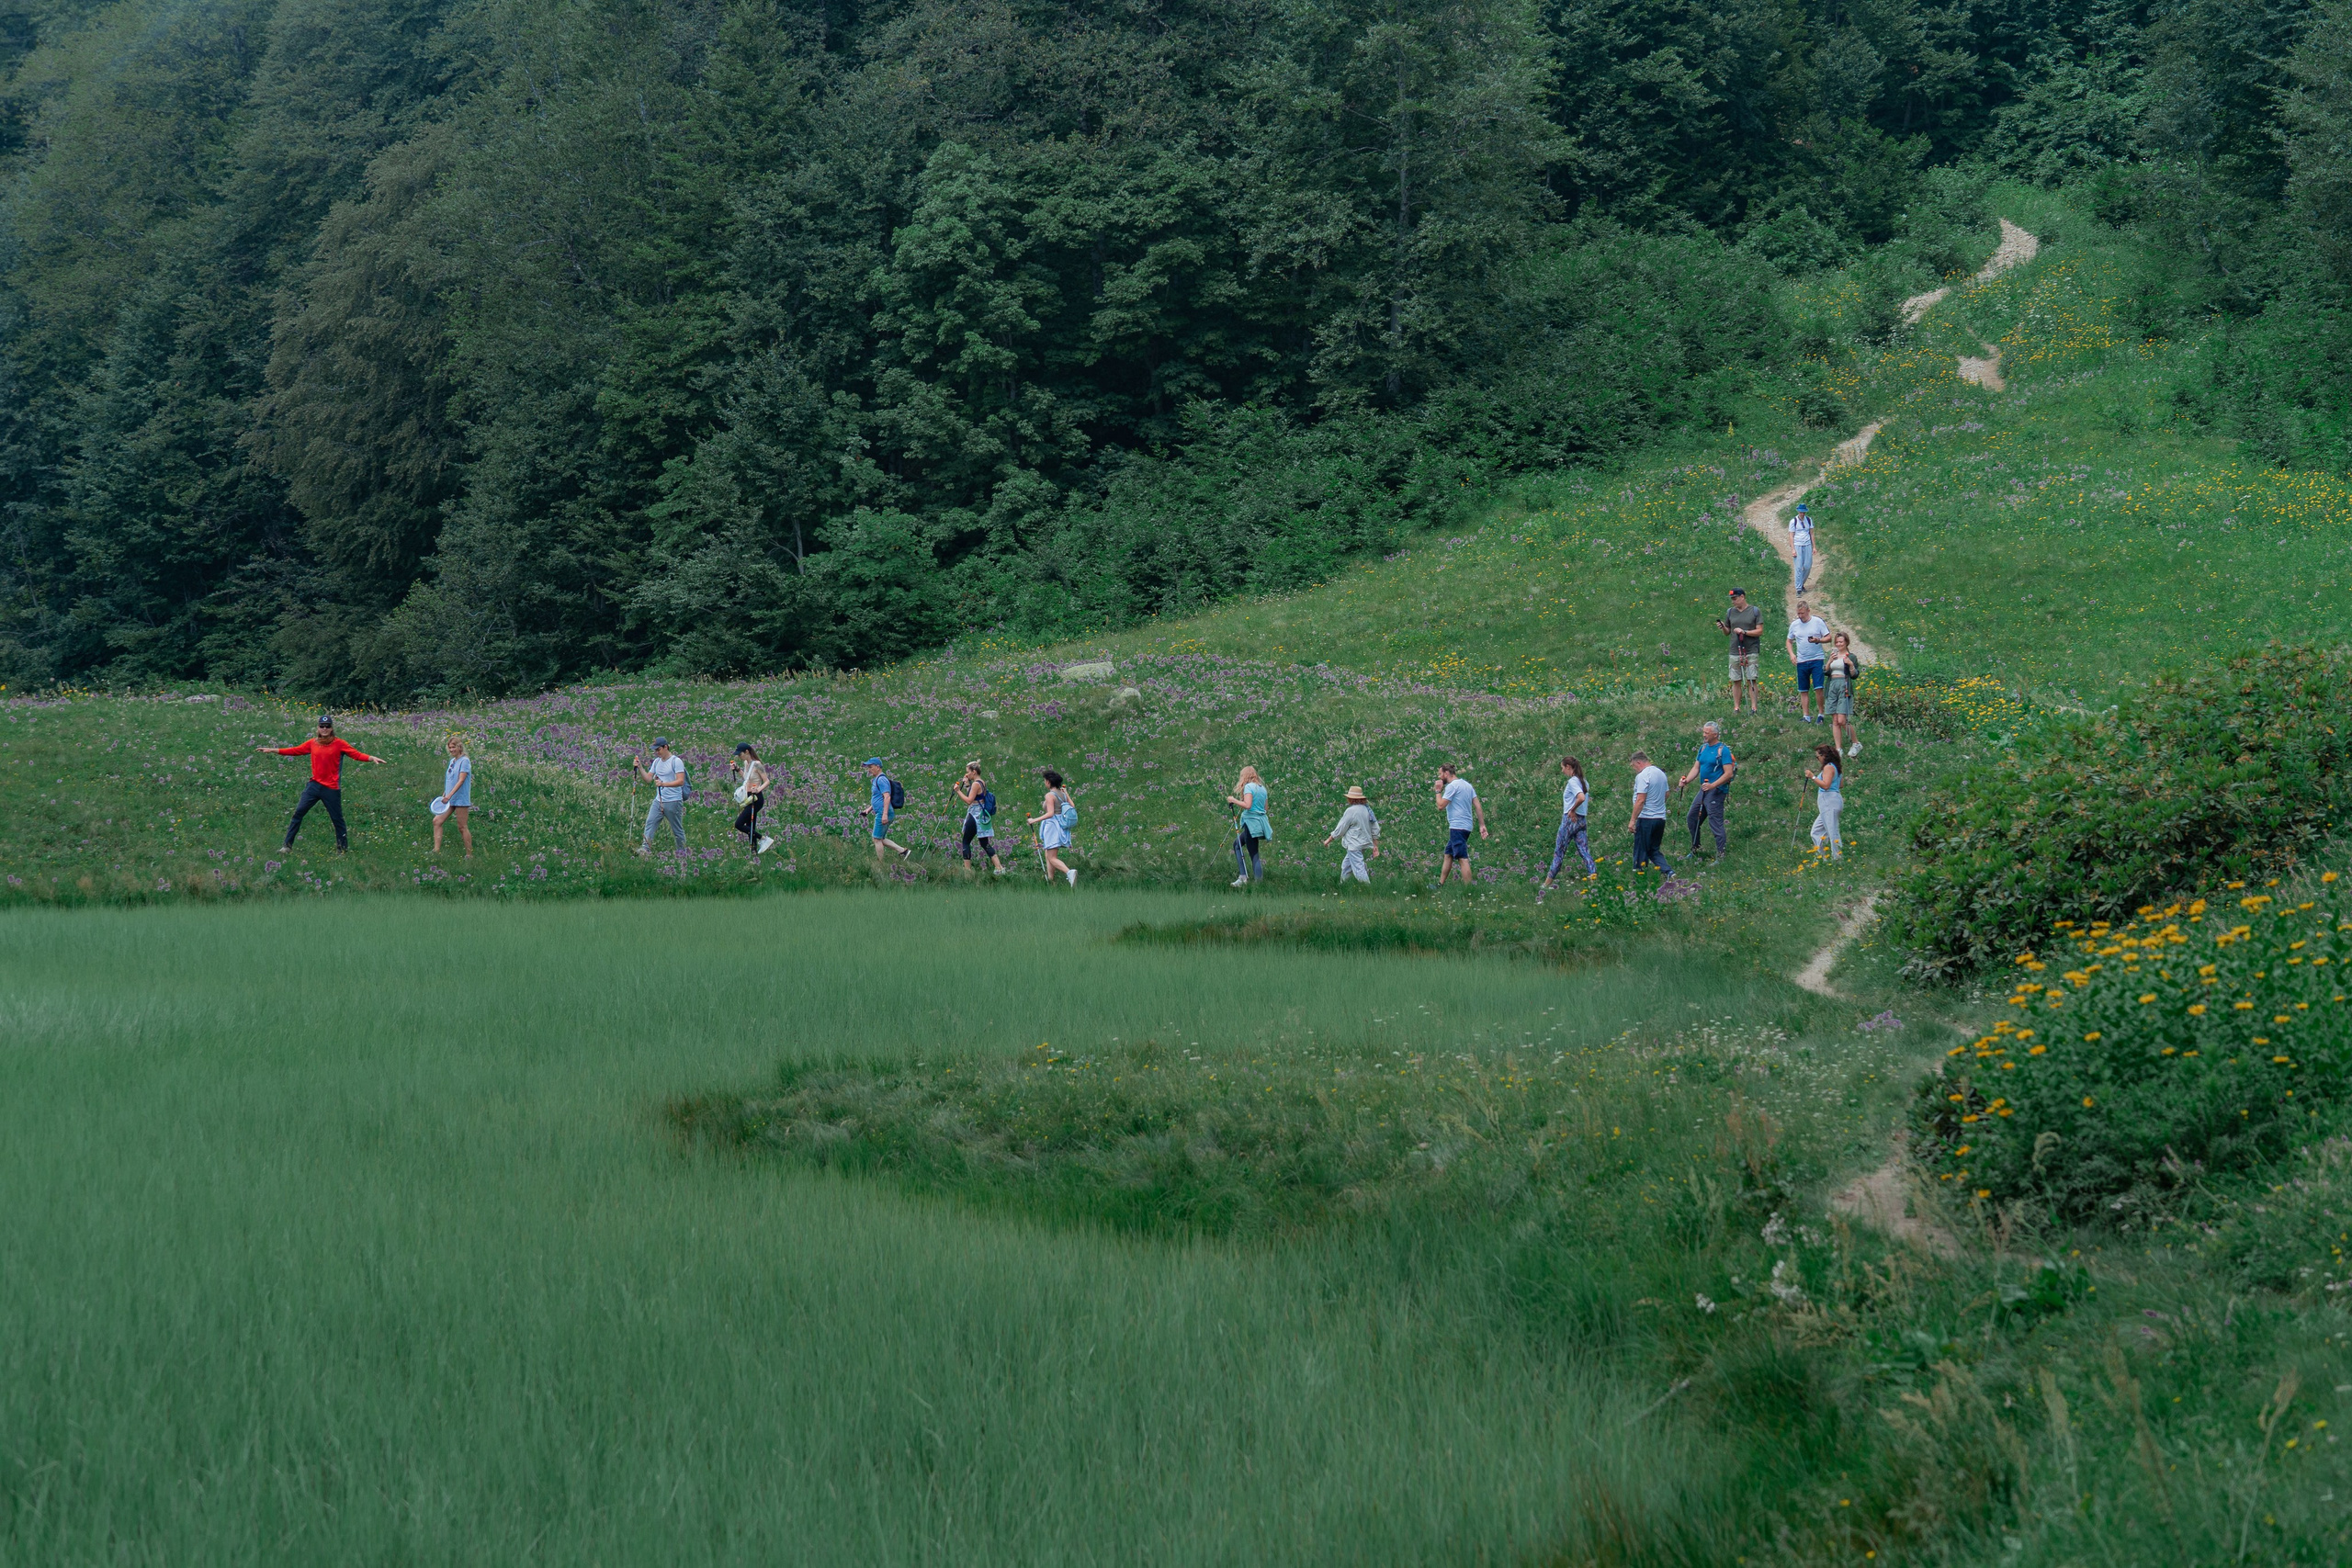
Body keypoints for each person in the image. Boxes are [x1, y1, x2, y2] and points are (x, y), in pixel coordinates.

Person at [259, 715, 382, 852]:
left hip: (331, 788)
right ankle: (286, 846)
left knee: (337, 820)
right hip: (314, 786)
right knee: (298, 813)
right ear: (318, 728)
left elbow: (356, 754)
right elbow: (295, 750)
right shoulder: (312, 743)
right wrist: (273, 750)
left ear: (331, 728)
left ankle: (342, 850)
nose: (324, 729)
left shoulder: (339, 744)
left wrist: (371, 758)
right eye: (322, 726)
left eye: (327, 726)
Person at [1679, 722, 1736, 861]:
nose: (1704, 735)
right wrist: (1686, 780)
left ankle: (1721, 855)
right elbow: (1696, 768)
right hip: (1704, 790)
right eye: (1704, 732)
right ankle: (1695, 849)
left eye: (1707, 733)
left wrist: (1713, 785)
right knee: (1692, 817)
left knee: (1715, 822)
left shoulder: (1723, 750)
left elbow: (1728, 774)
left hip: (1716, 791)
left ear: (1715, 734)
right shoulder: (1703, 748)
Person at [1540, 757, 1594, 889]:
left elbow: (1580, 797)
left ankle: (1546, 884)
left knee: (1559, 852)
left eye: (1563, 768)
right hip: (1582, 820)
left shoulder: (1573, 782)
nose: (1562, 771)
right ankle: (1594, 880)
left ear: (1569, 767)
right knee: (1584, 851)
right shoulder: (1584, 782)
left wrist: (1572, 810)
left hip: (1570, 820)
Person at [1433, 763, 1487, 886]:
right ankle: (1440, 884)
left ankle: (1469, 889)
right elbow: (1478, 806)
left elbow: (1440, 806)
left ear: (1446, 773)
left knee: (1462, 858)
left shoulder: (1452, 786)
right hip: (1467, 826)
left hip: (1457, 826)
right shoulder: (1467, 785)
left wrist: (1438, 791)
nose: (1439, 777)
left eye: (1440, 774)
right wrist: (1482, 825)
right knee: (1448, 854)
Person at [634, 739, 688, 855]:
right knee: (650, 822)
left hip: (674, 800)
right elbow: (648, 779)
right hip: (659, 800)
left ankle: (682, 852)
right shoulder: (657, 762)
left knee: (677, 829)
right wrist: (640, 768)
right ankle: (645, 850)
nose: (657, 752)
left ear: (666, 747)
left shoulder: (676, 761)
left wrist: (663, 784)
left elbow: (680, 781)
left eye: (658, 749)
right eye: (655, 750)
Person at [1626, 750, 1675, 877]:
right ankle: (1668, 872)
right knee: (1653, 849)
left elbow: (1640, 800)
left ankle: (1639, 878)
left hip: (1646, 818)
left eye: (1633, 766)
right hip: (1660, 818)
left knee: (1640, 850)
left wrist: (1632, 820)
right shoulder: (1661, 773)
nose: (1634, 769)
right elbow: (1667, 794)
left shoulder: (1643, 776)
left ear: (1638, 762)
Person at [1716, 587, 1764, 714]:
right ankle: (1736, 707)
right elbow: (1727, 632)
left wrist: (1745, 632)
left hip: (1750, 649)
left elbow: (1760, 631)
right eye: (1732, 599)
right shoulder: (1730, 612)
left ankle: (1754, 707)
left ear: (1742, 597)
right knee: (1735, 680)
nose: (1733, 601)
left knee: (1751, 679)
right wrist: (1722, 627)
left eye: (1735, 598)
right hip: (1734, 650)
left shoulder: (1754, 611)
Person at [954, 761, 1006, 875]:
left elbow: (969, 800)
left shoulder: (976, 784)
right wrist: (967, 784)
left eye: (968, 772)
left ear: (974, 772)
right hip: (982, 814)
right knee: (984, 842)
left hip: (975, 814)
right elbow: (974, 795)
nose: (967, 775)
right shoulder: (981, 782)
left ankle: (967, 872)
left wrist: (958, 791)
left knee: (966, 842)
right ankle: (999, 867)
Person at [1029, 769, 1079, 886]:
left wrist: (1033, 820)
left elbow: (1050, 813)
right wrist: (1066, 793)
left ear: (1048, 782)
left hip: (1052, 826)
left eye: (1045, 780)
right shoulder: (1063, 794)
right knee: (1048, 854)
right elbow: (1072, 806)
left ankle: (1069, 873)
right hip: (1060, 825)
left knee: (1052, 857)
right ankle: (1051, 880)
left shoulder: (1050, 795)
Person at [1324, 785, 1381, 885]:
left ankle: (1367, 889)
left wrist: (1329, 839)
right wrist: (1375, 845)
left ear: (1351, 799)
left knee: (1359, 869)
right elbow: (1375, 827)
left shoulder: (1351, 811)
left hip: (1353, 844)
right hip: (1362, 843)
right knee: (1346, 866)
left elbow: (1341, 829)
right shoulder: (1367, 810)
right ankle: (1343, 885)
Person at [1227, 765, 1272, 886]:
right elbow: (1265, 808)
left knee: (1254, 853)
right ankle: (1243, 876)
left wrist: (1234, 800)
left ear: (1245, 776)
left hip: (1251, 823)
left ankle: (1255, 882)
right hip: (1259, 824)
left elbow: (1248, 805)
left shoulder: (1248, 787)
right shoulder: (1262, 789)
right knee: (1237, 844)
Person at [1787, 600, 1830, 722]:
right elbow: (1789, 640)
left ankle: (1821, 714)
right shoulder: (1795, 625)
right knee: (1803, 689)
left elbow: (1828, 637)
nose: (1801, 616)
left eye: (1803, 614)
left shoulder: (1817, 622)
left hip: (1817, 659)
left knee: (1818, 687)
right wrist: (1791, 654)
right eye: (1799, 614)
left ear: (1808, 611)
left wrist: (1819, 640)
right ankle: (1806, 715)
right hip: (1802, 660)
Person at [729, 743, 775, 856]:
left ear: (747, 752)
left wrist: (758, 790)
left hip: (756, 798)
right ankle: (754, 852)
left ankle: (764, 839)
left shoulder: (757, 764)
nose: (739, 757)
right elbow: (746, 778)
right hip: (748, 797)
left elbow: (767, 781)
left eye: (740, 754)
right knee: (750, 825)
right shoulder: (746, 763)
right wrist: (737, 769)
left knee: (739, 824)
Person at [861, 758, 910, 861]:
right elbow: (878, 797)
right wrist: (869, 809)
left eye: (870, 767)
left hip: (884, 812)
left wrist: (884, 814)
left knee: (876, 839)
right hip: (882, 811)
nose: (868, 770)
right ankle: (903, 851)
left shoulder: (881, 780)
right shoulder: (877, 779)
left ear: (878, 767)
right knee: (880, 838)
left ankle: (881, 864)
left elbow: (887, 797)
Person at [433, 734, 472, 857]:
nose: (451, 750)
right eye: (450, 747)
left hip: (460, 799)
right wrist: (444, 795)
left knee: (462, 827)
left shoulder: (465, 761)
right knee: (437, 821)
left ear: (459, 747)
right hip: (448, 799)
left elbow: (461, 780)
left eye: (454, 747)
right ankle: (436, 851)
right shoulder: (452, 761)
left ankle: (469, 855)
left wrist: (449, 795)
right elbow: (450, 779)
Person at [1823, 633, 1862, 758]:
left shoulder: (1851, 656)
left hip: (1844, 685)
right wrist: (1829, 661)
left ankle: (1856, 743)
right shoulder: (1832, 656)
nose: (1839, 644)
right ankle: (1838, 749)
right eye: (1837, 642)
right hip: (1832, 686)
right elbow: (1826, 671)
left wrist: (1850, 664)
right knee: (1835, 721)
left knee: (1842, 720)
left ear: (1846, 642)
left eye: (1841, 642)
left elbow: (1854, 675)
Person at [1806, 743, 1844, 860]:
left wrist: (1813, 777)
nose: (1818, 760)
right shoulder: (1836, 767)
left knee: (1832, 832)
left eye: (1818, 757)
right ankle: (1823, 857)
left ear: (1824, 756)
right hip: (1834, 799)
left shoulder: (1828, 767)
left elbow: (1826, 785)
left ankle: (1837, 859)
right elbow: (1841, 785)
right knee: (1816, 831)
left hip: (1829, 801)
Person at [1789, 502, 1815, 593]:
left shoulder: (1809, 520)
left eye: (1804, 512)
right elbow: (1791, 535)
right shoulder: (1793, 521)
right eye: (1801, 512)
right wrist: (1793, 549)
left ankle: (1801, 583)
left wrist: (1814, 547)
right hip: (1798, 545)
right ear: (1798, 512)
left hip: (1807, 544)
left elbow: (1811, 533)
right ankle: (1799, 588)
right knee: (1798, 567)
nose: (1802, 514)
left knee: (1807, 566)